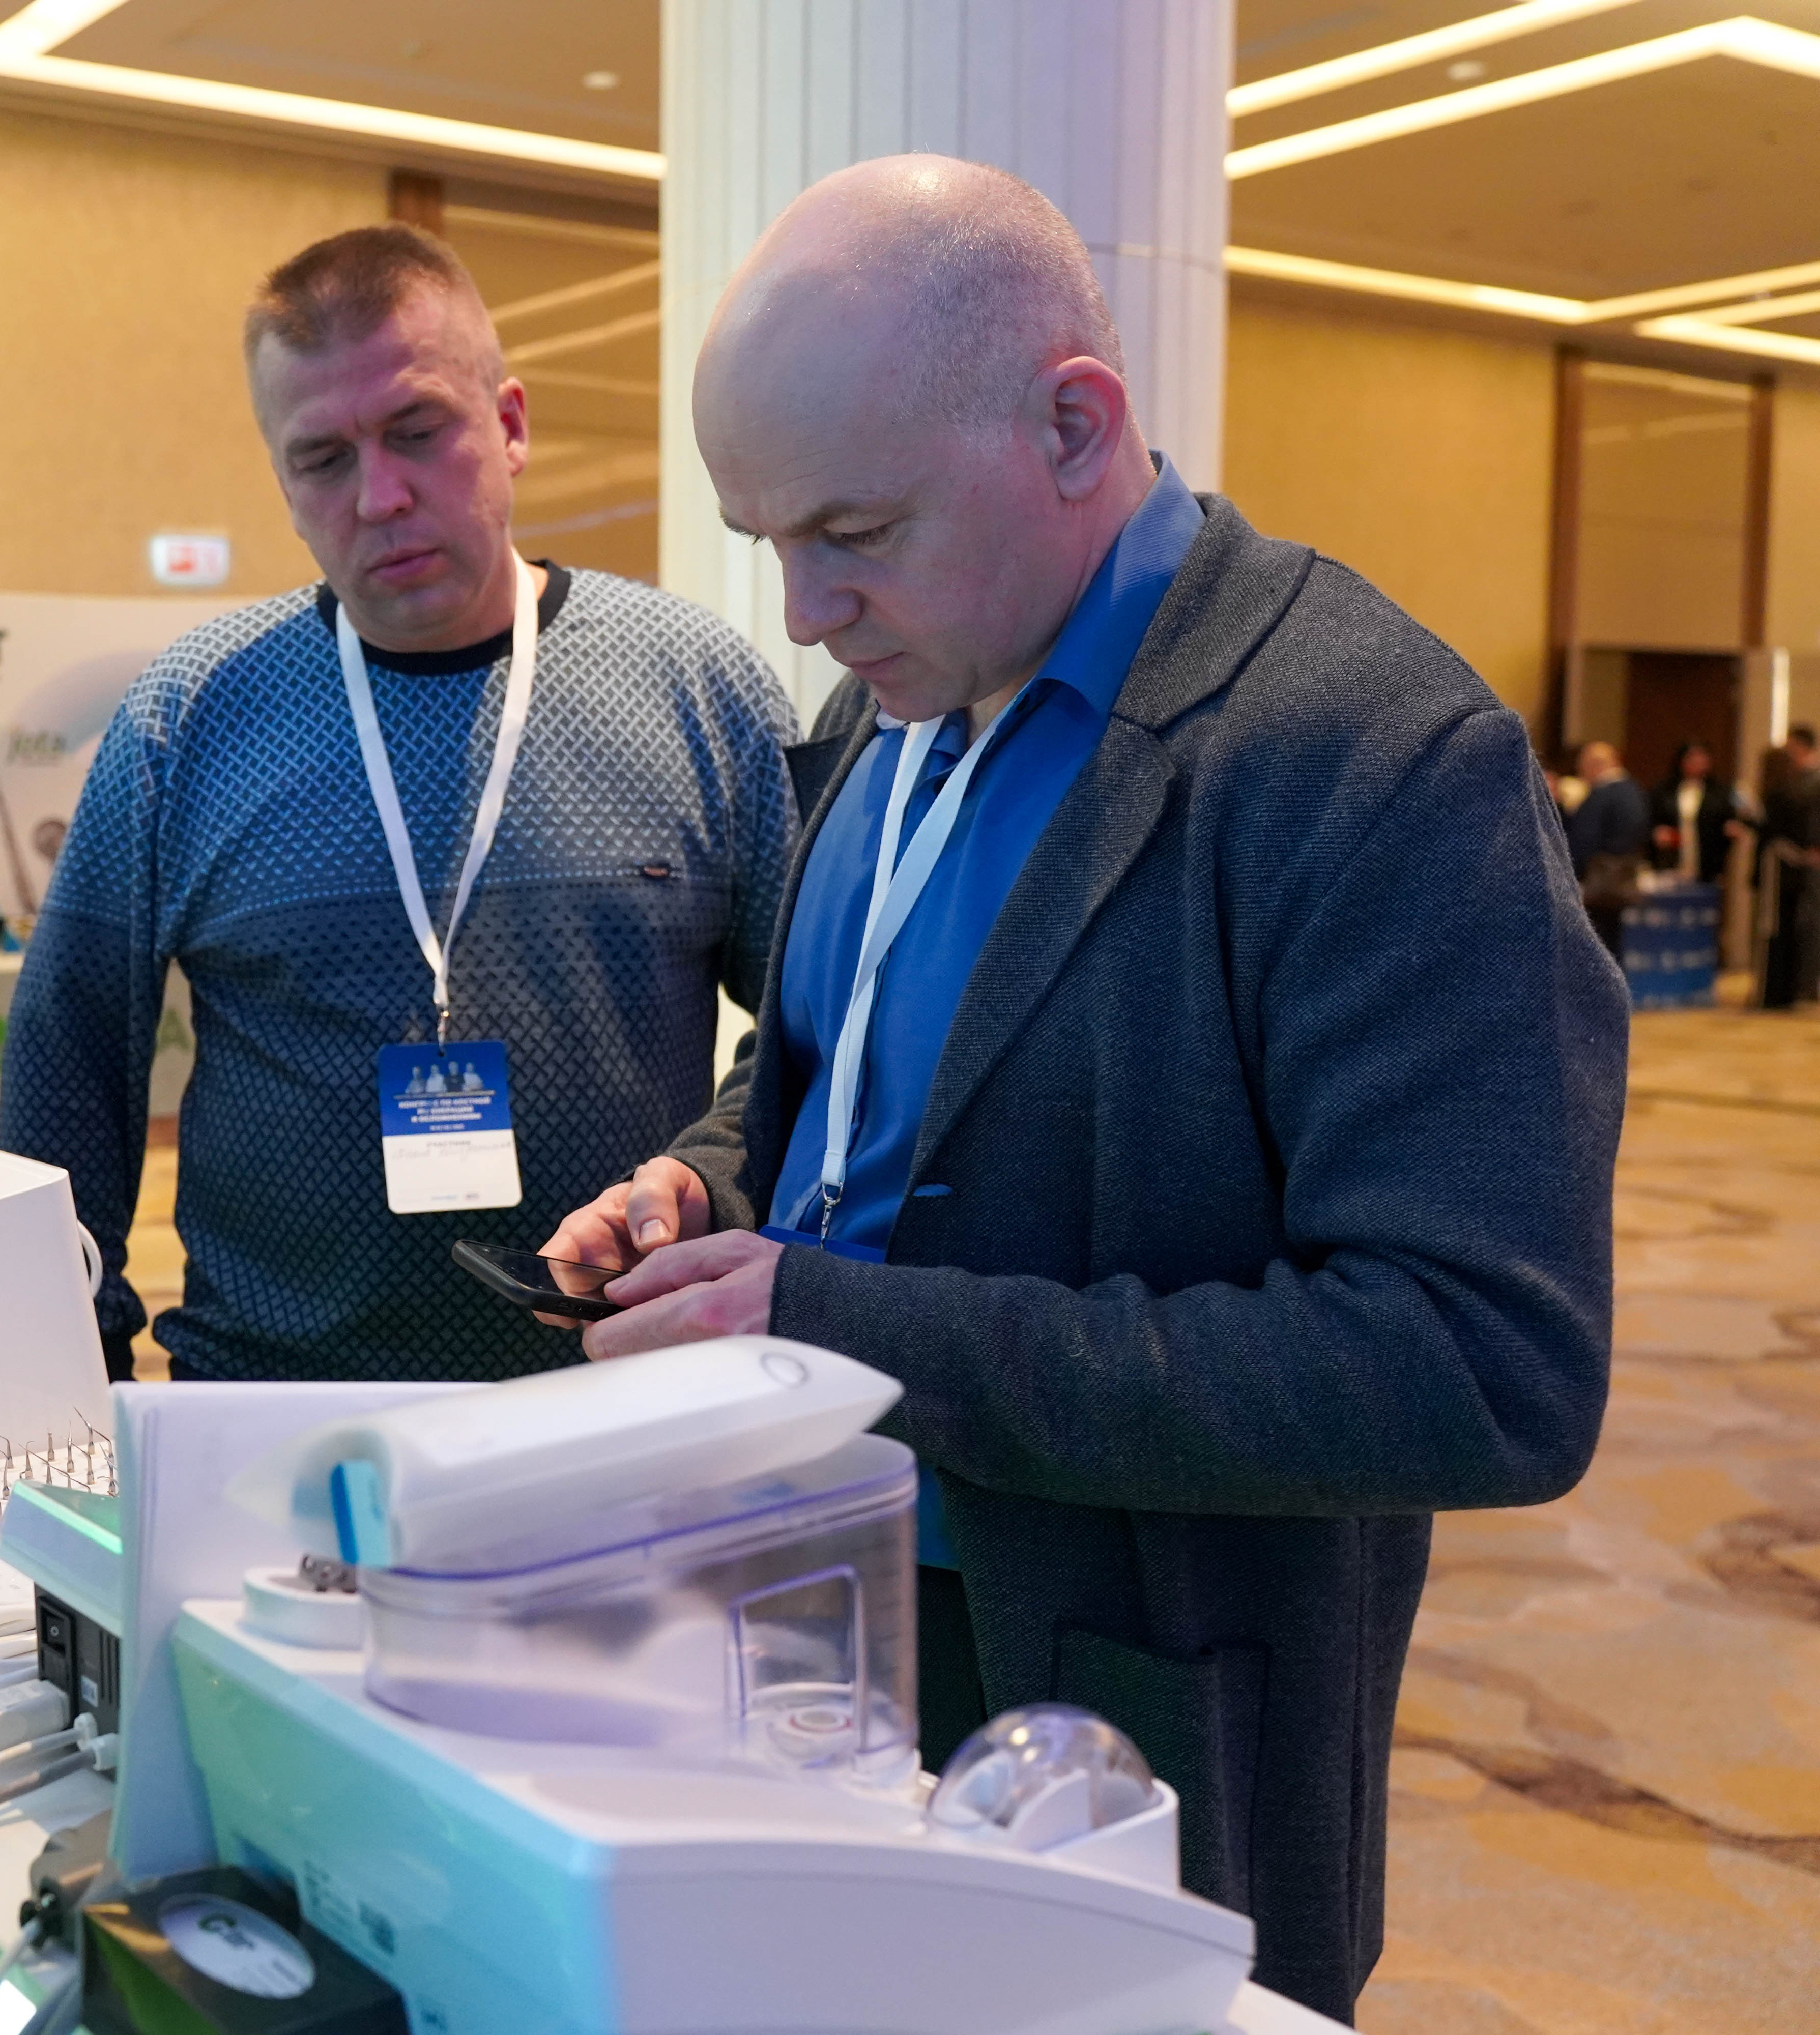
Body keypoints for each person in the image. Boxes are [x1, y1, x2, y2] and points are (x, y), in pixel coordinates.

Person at [540, 156, 1619, 2022]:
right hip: (805, 1629)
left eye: (851, 529)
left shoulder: (1370, 754)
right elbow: (844, 1076)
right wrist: (710, 1181)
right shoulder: (882, 706)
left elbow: (1481, 1365)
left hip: (1127, 1715)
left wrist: (848, 1327)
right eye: (764, 538)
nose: (800, 608)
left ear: (1071, 422)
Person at [2, 224, 800, 1384]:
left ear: (510, 426)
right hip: (271, 1400)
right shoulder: (191, 715)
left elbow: (817, 1033)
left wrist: (712, 1192)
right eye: (323, 458)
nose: (380, 496)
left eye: (419, 432)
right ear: (283, 483)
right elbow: (70, 1058)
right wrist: (72, 1363)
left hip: (622, 1392)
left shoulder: (696, 687)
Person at [1564, 738, 1650, 956]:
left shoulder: (1602, 795)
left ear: (1594, 765)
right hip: (1624, 879)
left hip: (1599, 883)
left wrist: (1573, 874)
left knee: (1598, 943)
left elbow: (1583, 840)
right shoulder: (1635, 791)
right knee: (1613, 941)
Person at [1761, 725, 1819, 1010]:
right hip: (1797, 865)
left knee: (1804, 926)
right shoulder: (1794, 784)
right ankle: (1798, 988)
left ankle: (1801, 988)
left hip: (1801, 866)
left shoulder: (1805, 783)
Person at [1651, 740, 1738, 886]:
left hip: (1708, 863)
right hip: (1671, 860)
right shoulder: (1664, 790)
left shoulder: (1721, 792)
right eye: (1692, 759)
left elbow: (1729, 819)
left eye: (1702, 759)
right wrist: (1658, 832)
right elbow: (1653, 820)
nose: (1697, 764)